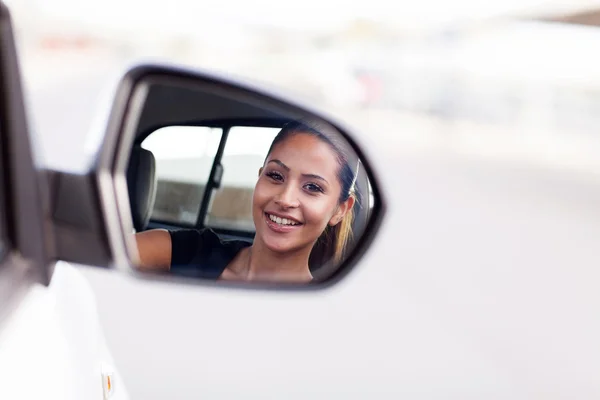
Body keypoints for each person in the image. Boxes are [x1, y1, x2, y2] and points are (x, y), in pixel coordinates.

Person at [134, 119, 358, 283]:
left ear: (340, 209)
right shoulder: (180, 252)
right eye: (275, 176)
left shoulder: (329, 307)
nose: (285, 199)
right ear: (259, 176)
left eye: (312, 187)